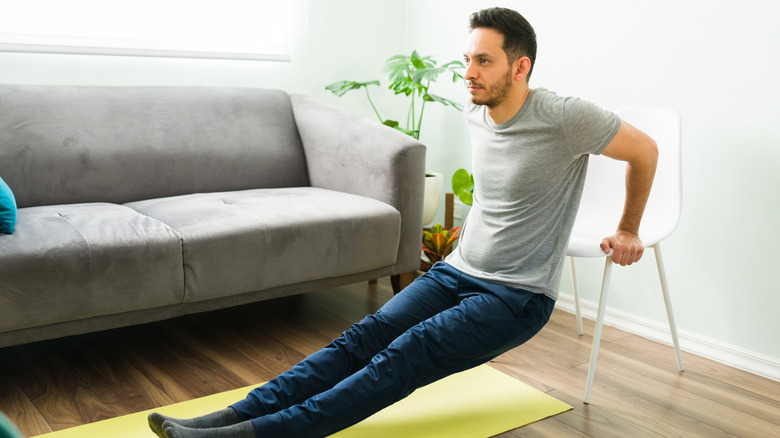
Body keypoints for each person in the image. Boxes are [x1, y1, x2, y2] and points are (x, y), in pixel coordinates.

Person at [148, 7, 657, 438]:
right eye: (467, 59)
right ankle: (235, 415)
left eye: (484, 60)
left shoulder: (567, 117)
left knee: (404, 356)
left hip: (515, 297)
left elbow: (645, 151)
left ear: (520, 66)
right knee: (361, 339)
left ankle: (255, 435)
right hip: (457, 272)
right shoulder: (478, 112)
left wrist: (629, 228)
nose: (469, 72)